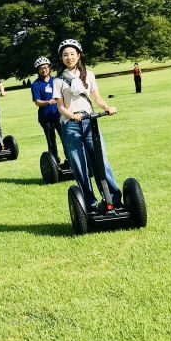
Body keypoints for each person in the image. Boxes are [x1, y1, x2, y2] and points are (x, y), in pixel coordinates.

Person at [54, 39, 121, 213]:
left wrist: (107, 108)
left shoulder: (89, 75)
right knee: (79, 166)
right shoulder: (58, 81)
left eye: (72, 54)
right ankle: (89, 204)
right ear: (61, 58)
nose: (69, 57)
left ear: (79, 55)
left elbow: (97, 98)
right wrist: (71, 115)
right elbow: (60, 107)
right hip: (71, 125)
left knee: (101, 161)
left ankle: (113, 199)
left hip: (90, 121)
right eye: (65, 55)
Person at [30, 56, 66, 165]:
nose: (44, 70)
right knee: (51, 142)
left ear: (49, 68)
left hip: (59, 115)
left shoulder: (56, 80)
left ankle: (70, 160)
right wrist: (47, 102)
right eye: (41, 68)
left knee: (65, 139)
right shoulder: (35, 84)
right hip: (45, 117)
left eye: (46, 67)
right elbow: (37, 102)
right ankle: (55, 163)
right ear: (38, 70)